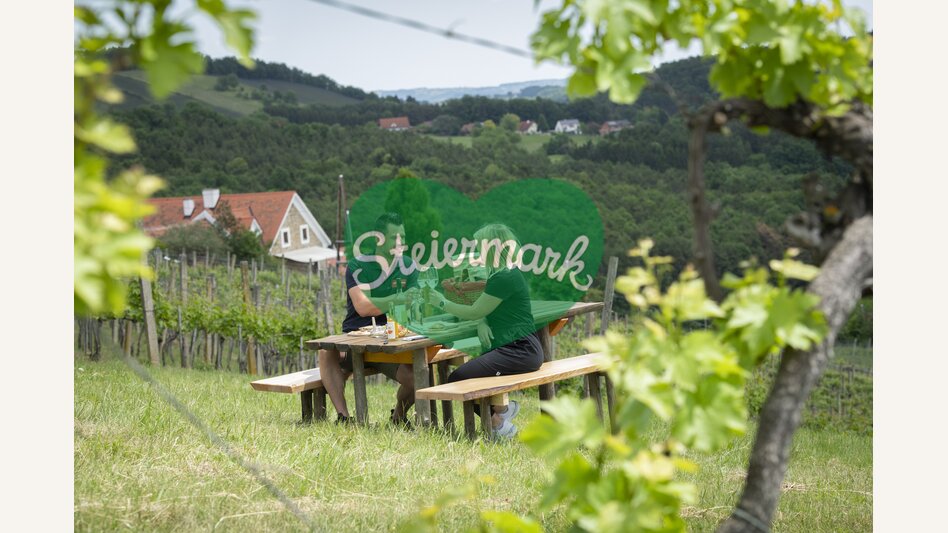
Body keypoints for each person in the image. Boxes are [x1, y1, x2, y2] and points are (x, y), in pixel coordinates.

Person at [423, 223, 542, 438]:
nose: (478, 252)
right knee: (466, 376)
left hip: (519, 351)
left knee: (457, 379)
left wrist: (441, 302)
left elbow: (475, 310)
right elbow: (487, 309)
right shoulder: (506, 274)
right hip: (522, 348)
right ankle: (503, 410)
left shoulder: (503, 278)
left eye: (481, 246)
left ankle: (498, 424)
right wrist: (482, 321)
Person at [318, 212, 418, 425]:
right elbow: (363, 308)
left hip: (390, 341)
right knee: (326, 352)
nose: (400, 242)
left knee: (418, 377)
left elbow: (415, 302)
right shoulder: (357, 266)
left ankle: (399, 416)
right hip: (355, 338)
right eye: (394, 237)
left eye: (402, 237)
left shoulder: (408, 266)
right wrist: (399, 298)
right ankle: (344, 417)